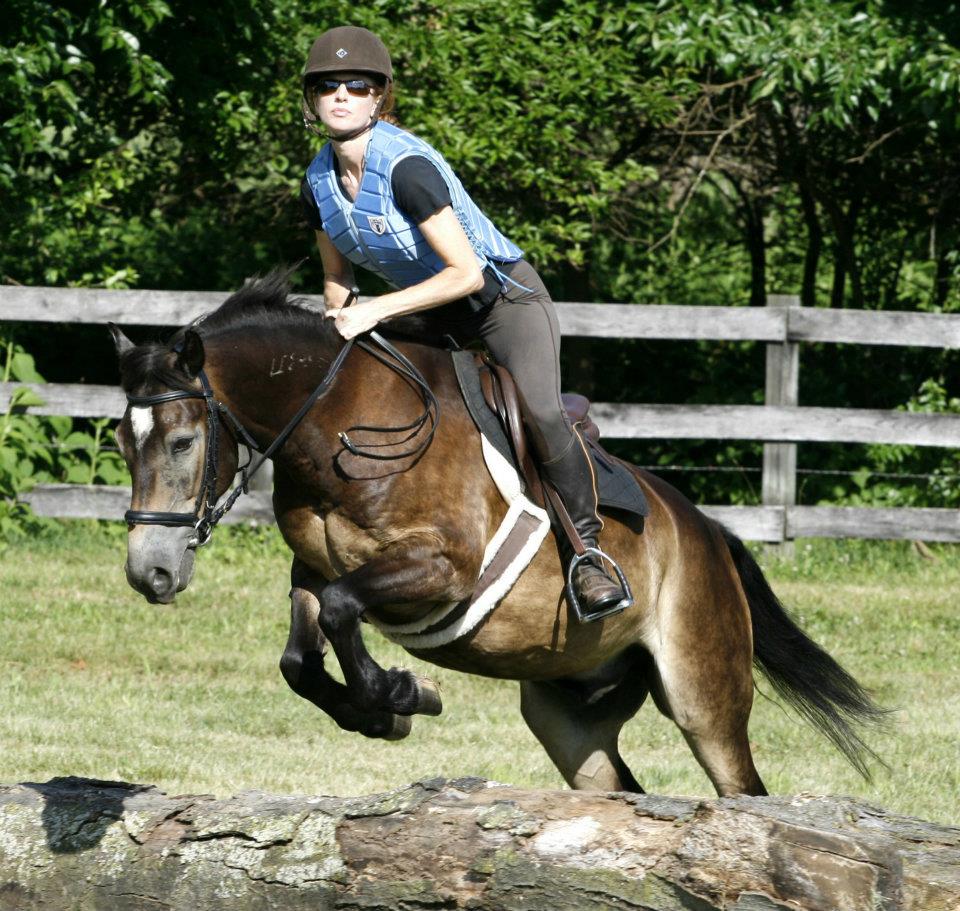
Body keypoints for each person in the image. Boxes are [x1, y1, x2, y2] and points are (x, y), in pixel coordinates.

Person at [299, 25, 630, 620]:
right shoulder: (317, 181)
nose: (342, 95)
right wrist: (337, 317)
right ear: (311, 100)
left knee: (542, 411)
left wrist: (373, 310)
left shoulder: (406, 170)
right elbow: (337, 276)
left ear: (380, 97)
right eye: (328, 86)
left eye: (358, 84)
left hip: (501, 303)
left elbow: (466, 275)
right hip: (429, 310)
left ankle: (589, 553)